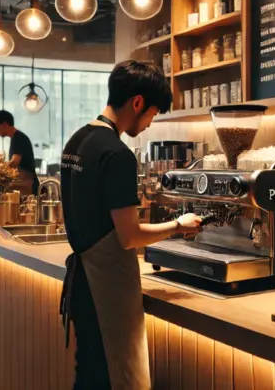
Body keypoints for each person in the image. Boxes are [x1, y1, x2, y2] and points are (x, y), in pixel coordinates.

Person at [60, 60, 202, 390]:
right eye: (153, 112)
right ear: (137, 102)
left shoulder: (76, 142)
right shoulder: (117, 154)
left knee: (90, 375)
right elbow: (130, 236)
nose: (151, 123)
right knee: (116, 379)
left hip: (81, 281)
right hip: (105, 288)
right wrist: (178, 225)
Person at [0, 110, 38, 194]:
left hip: (27, 185)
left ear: (4, 124)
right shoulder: (15, 138)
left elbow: (14, 162)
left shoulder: (19, 138)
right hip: (24, 183)